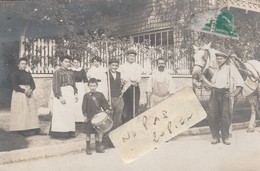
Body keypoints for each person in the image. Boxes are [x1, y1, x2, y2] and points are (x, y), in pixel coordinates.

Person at [209, 52, 243, 145]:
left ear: (225, 59)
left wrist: (233, 94)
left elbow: (240, 83)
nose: (219, 61)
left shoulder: (230, 69)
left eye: (221, 59)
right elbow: (212, 84)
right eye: (218, 59)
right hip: (214, 94)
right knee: (213, 116)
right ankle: (215, 137)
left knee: (225, 117)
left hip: (225, 95)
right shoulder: (217, 70)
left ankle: (225, 137)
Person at [9, 57, 46, 136]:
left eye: (25, 64)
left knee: (31, 111)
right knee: (22, 111)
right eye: (22, 64)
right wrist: (24, 91)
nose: (24, 65)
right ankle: (21, 129)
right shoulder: (14, 74)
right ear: (18, 65)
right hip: (19, 94)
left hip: (29, 93)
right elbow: (15, 86)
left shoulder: (28, 73)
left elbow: (33, 84)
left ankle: (36, 129)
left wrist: (30, 90)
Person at [50, 55, 78, 139]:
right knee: (61, 113)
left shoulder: (71, 72)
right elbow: (56, 85)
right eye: (65, 61)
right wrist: (59, 96)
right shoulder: (58, 72)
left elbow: (74, 84)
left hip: (70, 93)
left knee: (69, 113)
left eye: (69, 62)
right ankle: (60, 133)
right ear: (61, 62)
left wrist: (76, 93)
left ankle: (69, 131)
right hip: (62, 93)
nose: (67, 63)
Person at [82, 78, 111, 155]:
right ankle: (88, 147)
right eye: (91, 86)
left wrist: (106, 109)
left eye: (94, 86)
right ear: (88, 86)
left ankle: (97, 147)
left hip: (98, 116)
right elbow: (84, 107)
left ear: (97, 86)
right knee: (88, 133)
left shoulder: (100, 95)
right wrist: (85, 115)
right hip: (89, 117)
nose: (92, 87)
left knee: (97, 133)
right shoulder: (86, 96)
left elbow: (104, 103)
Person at [119, 49, 143, 123]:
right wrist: (131, 80)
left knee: (134, 107)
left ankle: (133, 124)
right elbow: (122, 77)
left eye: (133, 56)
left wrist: (130, 79)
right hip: (125, 89)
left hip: (135, 89)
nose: (132, 57)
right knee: (125, 107)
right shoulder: (122, 66)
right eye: (130, 56)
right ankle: (125, 124)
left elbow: (138, 79)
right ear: (127, 57)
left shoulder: (138, 66)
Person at [106, 58, 124, 129]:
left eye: (116, 65)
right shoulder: (106, 74)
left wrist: (122, 91)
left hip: (118, 98)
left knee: (118, 115)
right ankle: (107, 132)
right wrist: (107, 97)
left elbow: (125, 82)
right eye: (112, 65)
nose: (114, 67)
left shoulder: (119, 74)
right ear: (109, 65)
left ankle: (114, 130)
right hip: (110, 97)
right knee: (109, 115)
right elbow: (104, 86)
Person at [71, 57, 88, 122]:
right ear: (72, 63)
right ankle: (74, 118)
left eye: (77, 62)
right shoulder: (70, 70)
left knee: (80, 102)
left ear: (79, 63)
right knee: (74, 102)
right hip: (72, 86)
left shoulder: (82, 70)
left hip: (80, 87)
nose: (76, 64)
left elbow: (85, 80)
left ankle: (80, 118)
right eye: (74, 62)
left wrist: (86, 88)